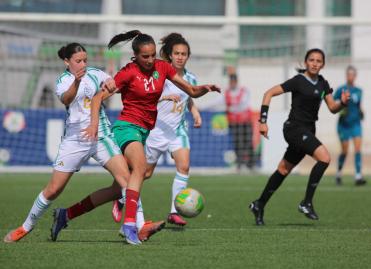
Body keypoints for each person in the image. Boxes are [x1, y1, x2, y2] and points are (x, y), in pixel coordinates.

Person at [57, 30, 220, 245]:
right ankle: (130, 226)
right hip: (126, 128)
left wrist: (204, 89)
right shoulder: (127, 73)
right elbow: (97, 99)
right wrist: (94, 124)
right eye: (146, 56)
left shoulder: (163, 67)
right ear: (135, 55)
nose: (151, 60)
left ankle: (66, 215)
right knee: (141, 169)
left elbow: (190, 89)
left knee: (116, 190)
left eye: (153, 55)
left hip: (144, 131)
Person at [3, 43, 130, 243]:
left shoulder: (94, 73)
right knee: (53, 189)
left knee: (127, 180)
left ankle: (135, 225)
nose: (83, 64)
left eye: (85, 60)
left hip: (100, 135)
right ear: (67, 62)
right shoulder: (63, 80)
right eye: (78, 61)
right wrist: (77, 83)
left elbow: (111, 81)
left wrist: (112, 83)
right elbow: (66, 99)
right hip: (75, 140)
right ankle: (25, 227)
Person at [249, 48, 350, 226]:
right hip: (294, 129)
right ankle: (307, 202)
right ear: (305, 62)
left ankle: (259, 204)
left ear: (323, 65)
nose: (315, 63)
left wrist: (342, 103)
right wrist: (262, 121)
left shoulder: (323, 84)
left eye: (318, 61)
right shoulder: (298, 81)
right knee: (325, 158)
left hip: (308, 131)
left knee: (283, 169)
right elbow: (268, 93)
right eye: (311, 60)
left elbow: (333, 108)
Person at [111, 32, 202, 227]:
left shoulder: (191, 78)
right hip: (156, 129)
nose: (180, 57)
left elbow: (189, 96)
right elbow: (147, 95)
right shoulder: (161, 72)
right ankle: (121, 196)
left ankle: (174, 211)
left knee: (184, 166)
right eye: (176, 53)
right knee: (144, 173)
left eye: (184, 54)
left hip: (177, 130)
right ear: (170, 55)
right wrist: (165, 98)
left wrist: (195, 111)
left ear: (188, 56)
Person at [334, 66, 366, 186]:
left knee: (357, 149)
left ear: (355, 76)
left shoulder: (359, 91)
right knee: (345, 151)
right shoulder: (341, 89)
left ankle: (358, 176)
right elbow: (334, 102)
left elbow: (358, 106)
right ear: (346, 75)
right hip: (343, 125)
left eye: (352, 74)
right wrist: (340, 108)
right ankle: (338, 173)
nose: (350, 76)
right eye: (348, 74)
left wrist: (362, 113)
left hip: (356, 123)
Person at [225, 73, 254, 170]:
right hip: (234, 123)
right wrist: (202, 106)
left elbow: (244, 105)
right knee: (238, 143)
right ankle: (240, 164)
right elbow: (217, 102)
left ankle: (251, 164)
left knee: (248, 142)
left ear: (236, 82)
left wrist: (231, 108)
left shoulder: (244, 91)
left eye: (234, 81)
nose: (232, 83)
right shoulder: (227, 93)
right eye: (231, 81)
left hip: (245, 122)